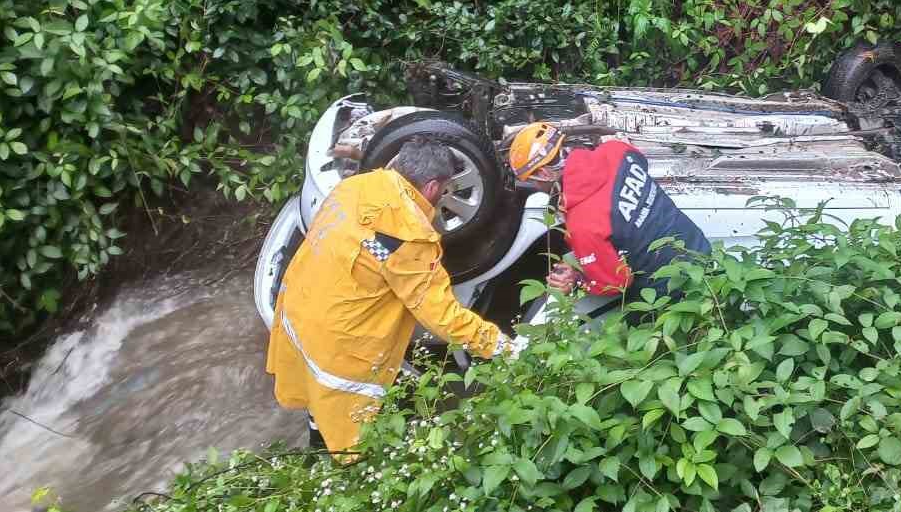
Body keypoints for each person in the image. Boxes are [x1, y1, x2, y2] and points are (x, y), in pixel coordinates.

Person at [266, 140, 513, 454]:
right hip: (341, 344)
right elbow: (443, 316)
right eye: (446, 188)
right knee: (351, 432)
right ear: (433, 186)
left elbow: (366, 247)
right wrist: (502, 346)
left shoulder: (356, 186)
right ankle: (345, 478)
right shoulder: (408, 236)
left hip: (300, 309)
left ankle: (315, 452)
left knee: (320, 403)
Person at [507, 122, 710, 309]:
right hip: (698, 246)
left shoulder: (583, 225)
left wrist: (576, 280)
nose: (536, 187)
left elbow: (616, 283)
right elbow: (640, 161)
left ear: (544, 173)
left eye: (533, 181)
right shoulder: (617, 151)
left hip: (669, 284)